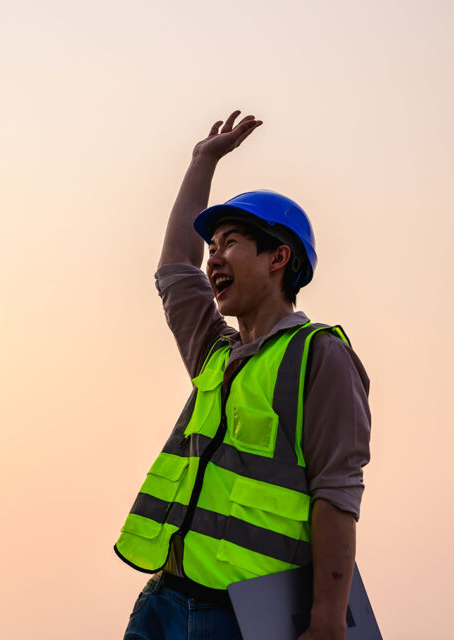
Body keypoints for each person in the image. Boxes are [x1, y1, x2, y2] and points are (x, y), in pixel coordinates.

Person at [114, 111, 371, 640]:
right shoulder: (217, 352)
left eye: (229, 243)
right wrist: (201, 162)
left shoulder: (319, 356)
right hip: (162, 600)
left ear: (279, 257)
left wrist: (327, 619)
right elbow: (174, 269)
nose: (213, 260)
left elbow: (337, 493)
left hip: (240, 619)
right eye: (211, 248)